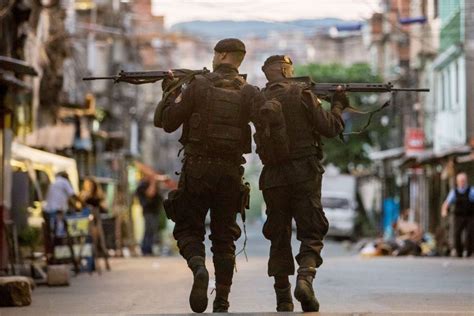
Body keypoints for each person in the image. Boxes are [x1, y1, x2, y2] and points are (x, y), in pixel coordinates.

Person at [154, 38, 265, 313]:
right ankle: (222, 300)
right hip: (230, 173)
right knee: (224, 238)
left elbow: (167, 123)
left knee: (188, 228)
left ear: (222, 55)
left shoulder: (198, 86)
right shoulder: (249, 91)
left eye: (215, 54)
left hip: (198, 169)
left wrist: (170, 91)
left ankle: (199, 268)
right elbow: (267, 125)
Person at [253, 55, 347, 312]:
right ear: (285, 70)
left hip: (272, 177)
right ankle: (305, 278)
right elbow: (330, 128)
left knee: (278, 235)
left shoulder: (258, 99)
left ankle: (282, 297)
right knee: (311, 230)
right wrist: (338, 105)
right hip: (304, 172)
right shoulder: (302, 94)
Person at [43, 172, 81, 257]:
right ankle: (58, 254)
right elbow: (73, 195)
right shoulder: (63, 182)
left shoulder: (54, 183)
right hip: (56, 211)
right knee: (59, 233)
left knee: (52, 233)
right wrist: (83, 204)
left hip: (48, 211)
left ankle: (53, 254)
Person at [441, 172, 474, 257]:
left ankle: (469, 252)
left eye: (463, 180)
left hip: (470, 215)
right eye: (460, 181)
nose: (462, 182)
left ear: (466, 181)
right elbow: (446, 203)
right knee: (457, 233)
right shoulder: (454, 192)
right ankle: (459, 252)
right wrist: (444, 210)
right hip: (458, 216)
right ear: (457, 182)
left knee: (470, 233)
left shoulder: (471, 190)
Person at [136, 175, 163, 256]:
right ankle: (145, 249)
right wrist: (153, 182)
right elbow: (150, 194)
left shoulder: (152, 185)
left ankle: (149, 249)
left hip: (155, 211)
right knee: (148, 229)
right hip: (148, 211)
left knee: (152, 230)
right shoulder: (142, 186)